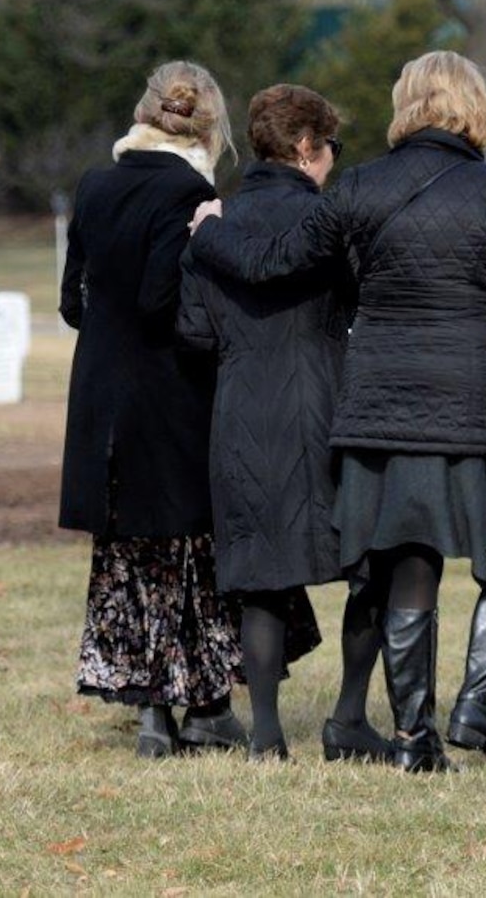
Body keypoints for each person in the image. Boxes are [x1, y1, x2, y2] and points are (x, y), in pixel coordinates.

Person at [188, 50, 486, 773]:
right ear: (473, 106)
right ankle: (480, 699)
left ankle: (414, 739)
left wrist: (211, 231)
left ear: (406, 105)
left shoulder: (360, 187)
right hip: (476, 397)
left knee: (410, 552)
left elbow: (271, 262)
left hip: (377, 400)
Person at [176, 85, 385, 763]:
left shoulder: (212, 226)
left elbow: (194, 331)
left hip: (240, 409)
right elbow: (364, 303)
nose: (333, 162)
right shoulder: (327, 224)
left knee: (261, 577)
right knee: (369, 564)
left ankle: (266, 731)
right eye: (331, 149)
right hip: (328, 403)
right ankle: (349, 714)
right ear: (305, 148)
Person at [58, 61, 247, 759]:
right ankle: (199, 709)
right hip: (170, 394)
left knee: (129, 555)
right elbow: (160, 298)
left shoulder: (97, 184)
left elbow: (72, 301)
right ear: (208, 125)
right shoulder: (190, 192)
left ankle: (150, 711)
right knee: (188, 549)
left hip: (101, 400)